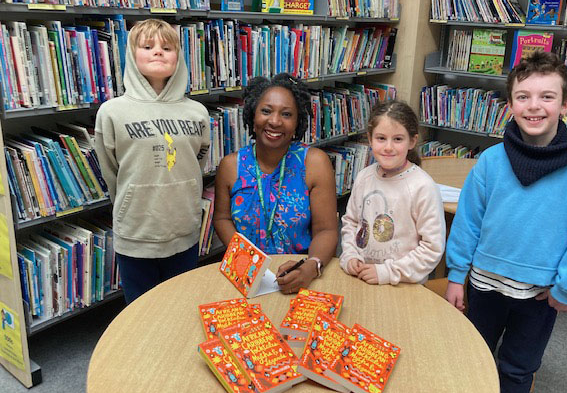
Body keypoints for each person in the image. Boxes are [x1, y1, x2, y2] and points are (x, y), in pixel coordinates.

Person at [444, 52, 567, 393]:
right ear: (510, 104)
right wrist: (456, 275)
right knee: (473, 356)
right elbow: (469, 221)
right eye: (523, 97)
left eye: (547, 97)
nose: (534, 106)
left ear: (565, 105)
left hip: (539, 295)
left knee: (518, 369)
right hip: (485, 285)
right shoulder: (491, 160)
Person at [94, 19, 211, 304]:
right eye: (148, 46)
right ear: (132, 55)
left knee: (179, 305)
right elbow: (111, 170)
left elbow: (200, 159)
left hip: (184, 230)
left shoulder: (196, 112)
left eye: (167, 47)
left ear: (178, 57)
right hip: (137, 233)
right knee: (140, 310)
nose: (158, 52)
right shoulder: (112, 112)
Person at [213, 73, 338, 294]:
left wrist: (311, 267)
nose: (275, 121)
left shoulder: (315, 163)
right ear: (252, 115)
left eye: (287, 114)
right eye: (266, 111)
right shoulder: (231, 166)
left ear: (298, 121)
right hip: (244, 277)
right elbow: (222, 218)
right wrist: (243, 259)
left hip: (298, 273)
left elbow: (326, 230)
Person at [339, 100, 446, 285]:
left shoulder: (423, 186)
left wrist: (388, 272)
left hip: (403, 286)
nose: (388, 147)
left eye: (398, 139)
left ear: (412, 141)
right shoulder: (364, 177)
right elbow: (351, 222)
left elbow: (432, 248)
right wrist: (349, 256)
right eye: (381, 138)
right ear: (370, 139)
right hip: (361, 278)